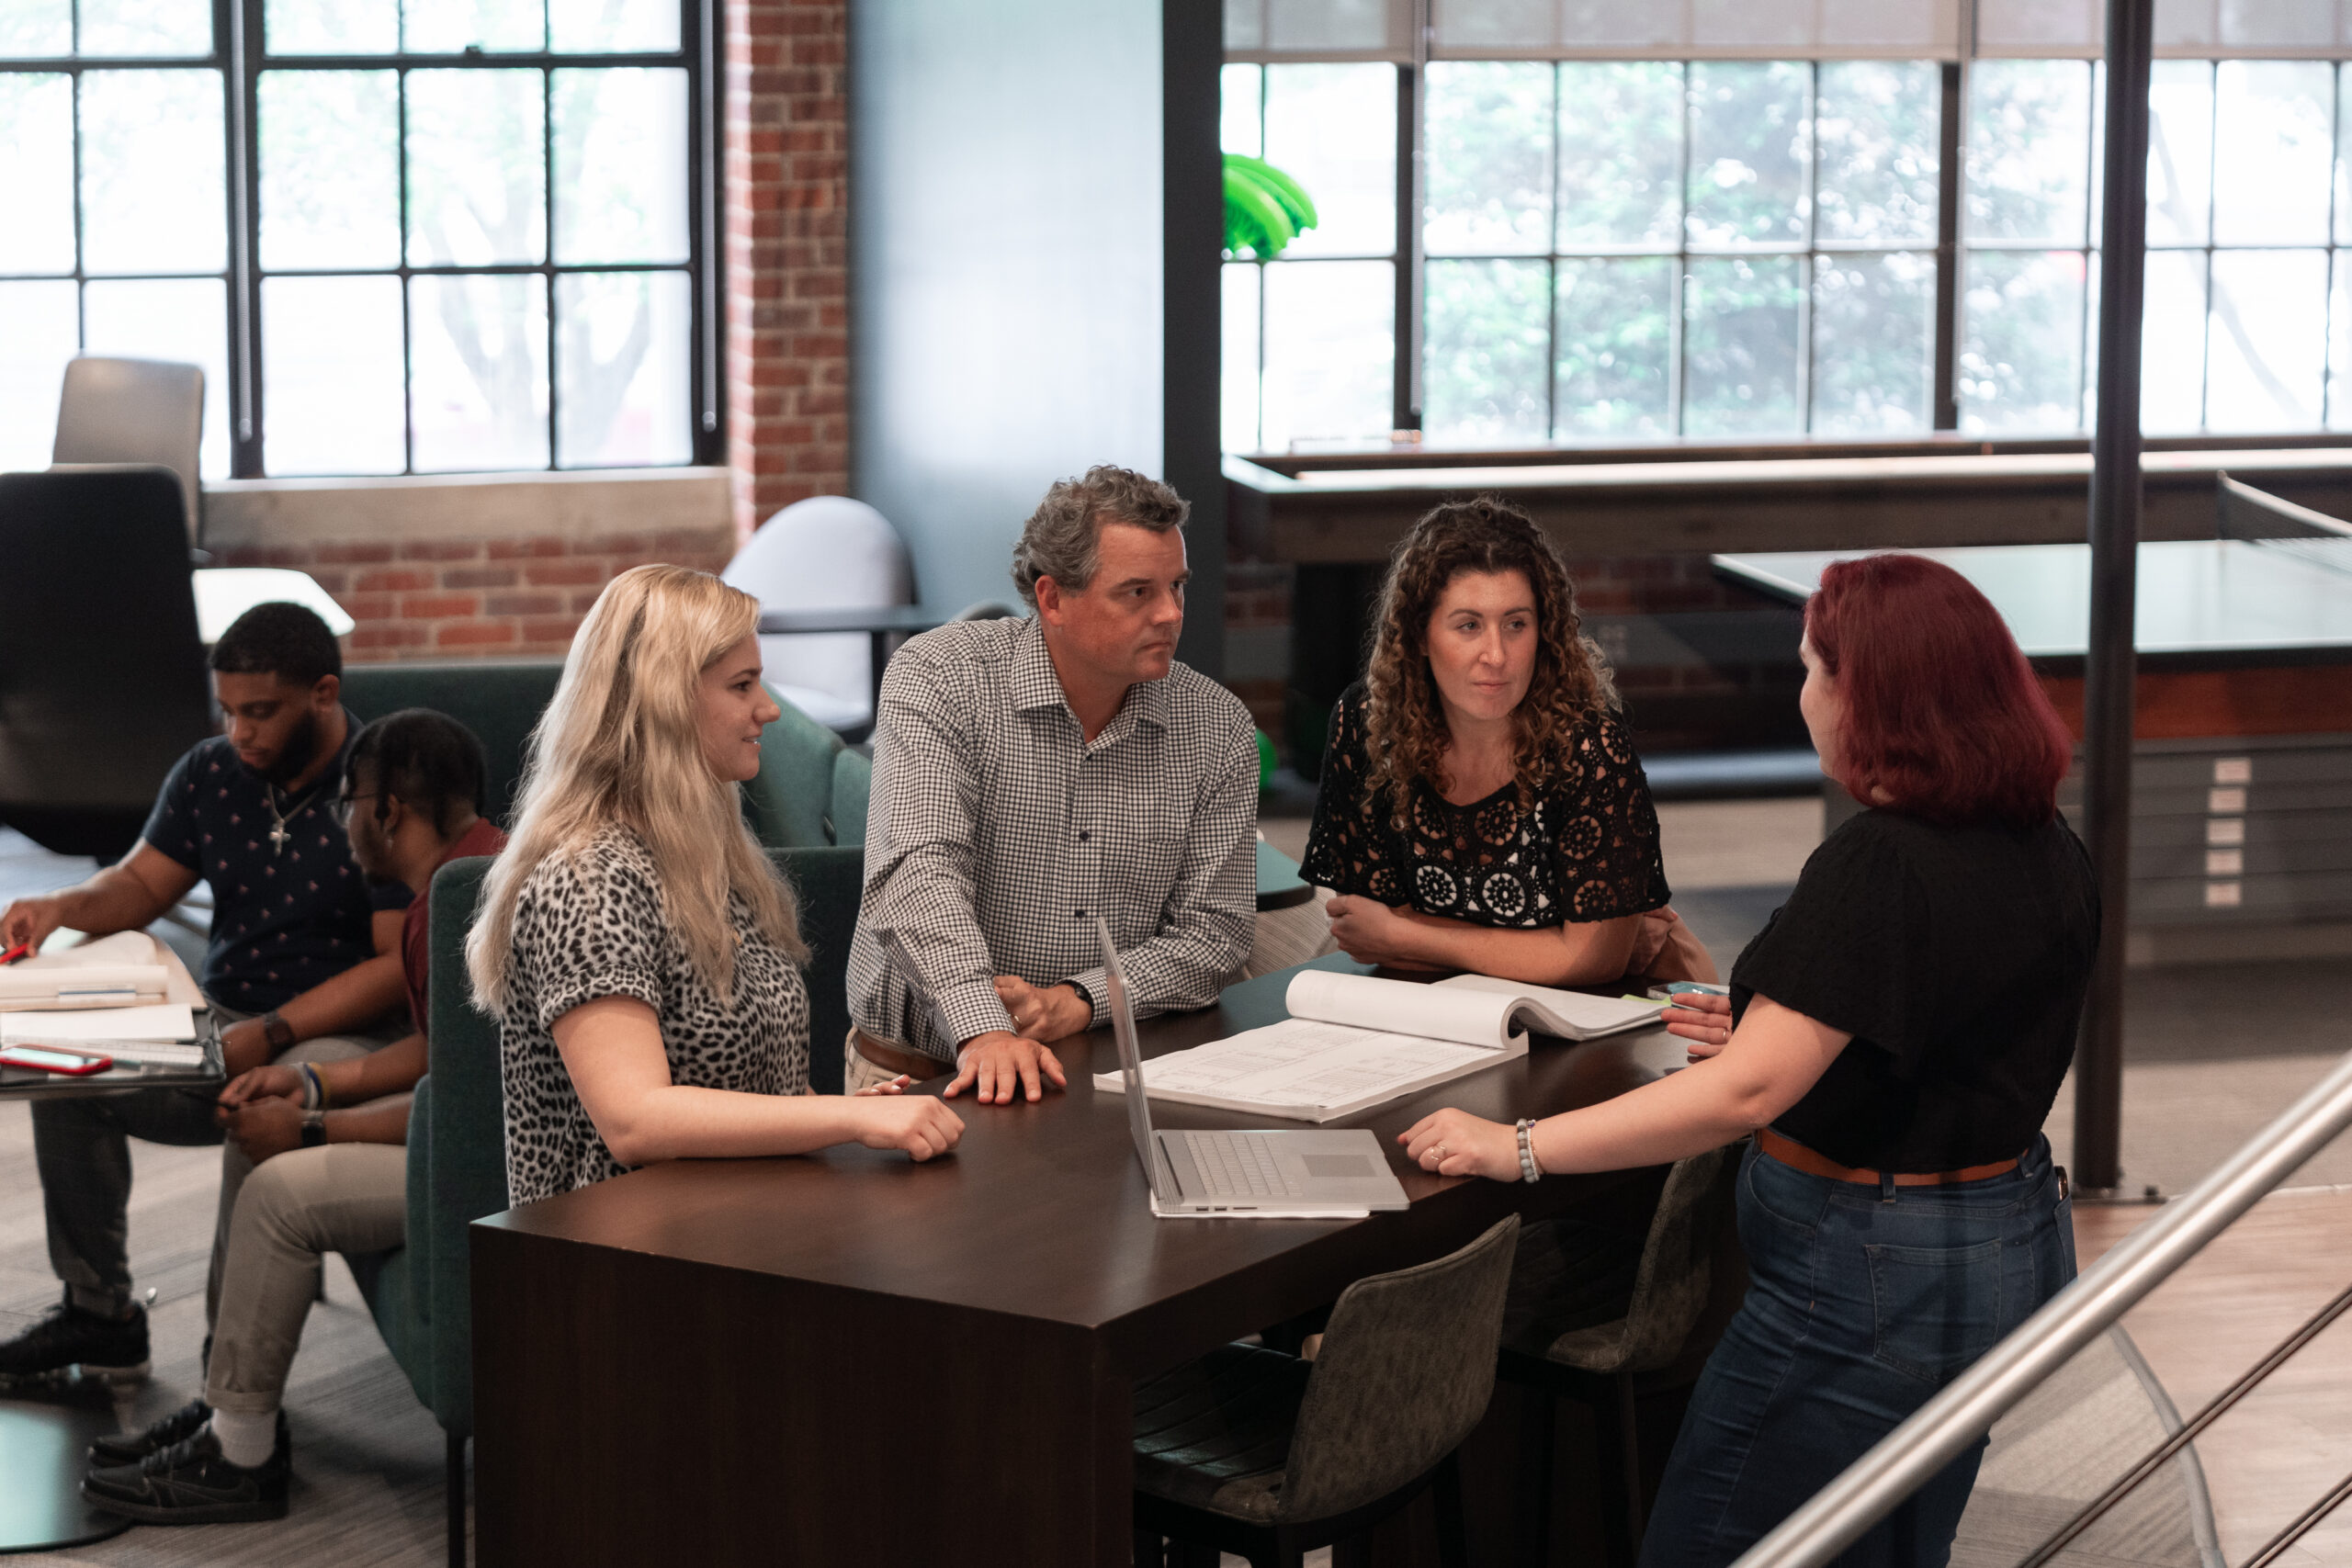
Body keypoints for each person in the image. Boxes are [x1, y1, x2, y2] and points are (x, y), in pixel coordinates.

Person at [1399, 553, 2095, 1568]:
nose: (1802, 692)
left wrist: (1517, 1146)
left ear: (1872, 695)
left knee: (1718, 1542)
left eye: (1813, 668)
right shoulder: (2043, 842)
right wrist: (1796, 1026)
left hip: (1868, 1279)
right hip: (2008, 1239)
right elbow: (1964, 1031)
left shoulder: (1879, 862)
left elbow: (1744, 1095)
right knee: (1889, 1547)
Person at [78, 708, 508, 1525]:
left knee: (281, 1195)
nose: (340, 825)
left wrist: (314, 1129)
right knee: (263, 1127)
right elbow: (435, 1056)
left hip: (495, 1171)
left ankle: (241, 1460)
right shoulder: (457, 882)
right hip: (464, 1138)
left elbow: (458, 1119)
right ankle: (229, 1403)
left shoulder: (467, 907)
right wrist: (308, 1085)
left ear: (387, 811)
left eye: (349, 802)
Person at [0, 603, 411, 1386]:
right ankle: (101, 1315)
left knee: (258, 1115)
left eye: (260, 712)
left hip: (336, 1038)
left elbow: (397, 967)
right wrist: (59, 907)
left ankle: (230, 1391)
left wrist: (279, 1029)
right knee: (67, 1072)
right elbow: (138, 884)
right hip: (215, 1023)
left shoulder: (381, 784)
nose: (239, 733)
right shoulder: (212, 772)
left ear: (324, 693)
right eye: (227, 711)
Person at [468, 564, 963, 1207]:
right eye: (742, 684)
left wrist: (840, 1115)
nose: (770, 707)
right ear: (664, 701)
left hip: (735, 1230)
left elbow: (754, 1091)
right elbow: (635, 1120)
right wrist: (848, 1121)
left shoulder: (708, 856)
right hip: (613, 1266)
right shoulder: (585, 877)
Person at [844, 465, 1259, 1104]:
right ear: (1053, 598)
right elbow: (916, 872)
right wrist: (982, 1024)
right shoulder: (940, 677)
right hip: (919, 1073)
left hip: (1096, 1071)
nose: (1171, 613)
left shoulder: (1216, 725)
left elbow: (1215, 933)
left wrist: (1080, 999)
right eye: (1138, 592)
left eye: (1177, 586)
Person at [1299, 495, 1704, 985]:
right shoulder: (1369, 725)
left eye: (1516, 624)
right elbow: (1366, 934)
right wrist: (1548, 950)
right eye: (1468, 626)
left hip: (1618, 1012)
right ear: (1420, 636)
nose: (1496, 654)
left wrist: (1408, 935)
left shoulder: (1587, 747)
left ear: (1545, 631)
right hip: (1443, 1010)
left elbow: (1594, 966)